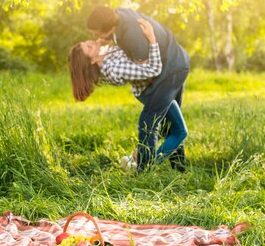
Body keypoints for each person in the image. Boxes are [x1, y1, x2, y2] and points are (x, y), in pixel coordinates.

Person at [68, 18, 188, 172]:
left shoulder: (102, 57)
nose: (93, 41)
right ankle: (148, 166)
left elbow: (107, 40)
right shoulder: (113, 69)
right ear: (91, 60)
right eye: (90, 46)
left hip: (156, 88)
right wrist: (151, 38)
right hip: (152, 92)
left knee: (168, 129)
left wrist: (103, 36)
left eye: (88, 41)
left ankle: (136, 159)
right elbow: (154, 69)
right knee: (180, 131)